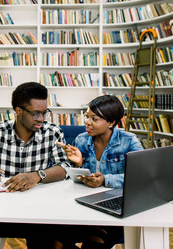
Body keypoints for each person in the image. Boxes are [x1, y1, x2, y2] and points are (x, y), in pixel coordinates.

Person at [0, 81, 69, 249]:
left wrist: (37, 176)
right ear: (18, 111)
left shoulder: (52, 132)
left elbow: (65, 168)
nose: (41, 119)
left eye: (44, 113)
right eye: (35, 113)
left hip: (38, 210)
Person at [54, 95, 143, 249]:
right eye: (87, 116)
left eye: (94, 119)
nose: (87, 122)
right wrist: (78, 164)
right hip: (81, 205)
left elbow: (140, 176)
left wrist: (105, 180)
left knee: (95, 242)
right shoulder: (81, 140)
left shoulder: (129, 141)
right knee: (54, 241)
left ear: (111, 122)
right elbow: (75, 180)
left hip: (113, 208)